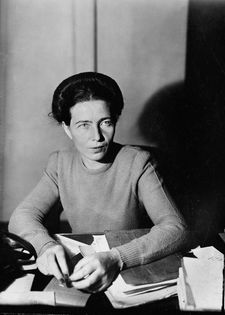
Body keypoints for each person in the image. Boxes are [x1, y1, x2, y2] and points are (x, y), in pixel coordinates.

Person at [9, 72, 188, 293]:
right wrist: (45, 247)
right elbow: (22, 216)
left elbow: (176, 228)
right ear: (67, 128)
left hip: (128, 272)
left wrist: (117, 258)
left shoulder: (138, 162)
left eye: (105, 122)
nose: (97, 136)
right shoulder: (59, 164)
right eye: (83, 125)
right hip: (83, 270)